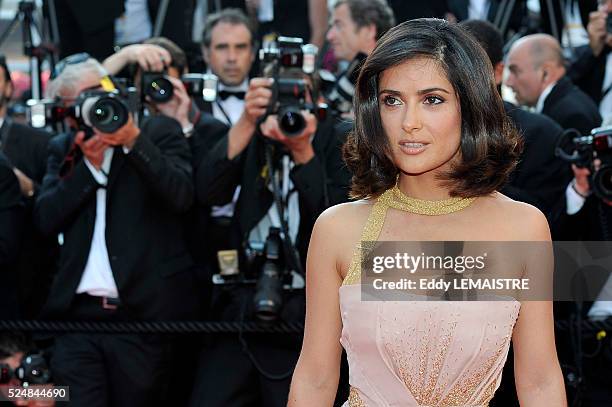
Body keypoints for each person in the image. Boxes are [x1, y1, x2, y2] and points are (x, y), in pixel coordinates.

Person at [288, 18, 566, 406]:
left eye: (432, 99)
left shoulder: (522, 227)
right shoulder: (338, 229)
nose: (409, 123)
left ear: (469, 107)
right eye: (392, 100)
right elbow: (315, 378)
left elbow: (539, 380)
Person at [34, 57, 199, 407]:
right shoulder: (64, 149)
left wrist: (133, 142)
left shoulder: (157, 131)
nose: (98, 102)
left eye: (102, 91)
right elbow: (45, 220)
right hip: (76, 321)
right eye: (85, 97)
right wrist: (88, 169)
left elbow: (181, 195)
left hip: (141, 319)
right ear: (68, 110)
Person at [459, 20, 572, 218]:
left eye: (470, 72)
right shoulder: (425, 129)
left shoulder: (542, 135)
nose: (459, 81)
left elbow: (547, 214)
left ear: (498, 72)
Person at [506, 33, 602, 136]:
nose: (508, 82)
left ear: (545, 73)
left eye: (515, 71)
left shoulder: (571, 117)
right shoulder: (564, 106)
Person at [325, 0, 395, 115]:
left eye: (338, 25)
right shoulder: (353, 74)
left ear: (368, 31)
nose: (329, 36)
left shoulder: (389, 82)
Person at [568, 0, 612, 125]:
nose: (607, 10)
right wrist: (592, 51)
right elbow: (563, 91)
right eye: (602, 3)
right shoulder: (595, 53)